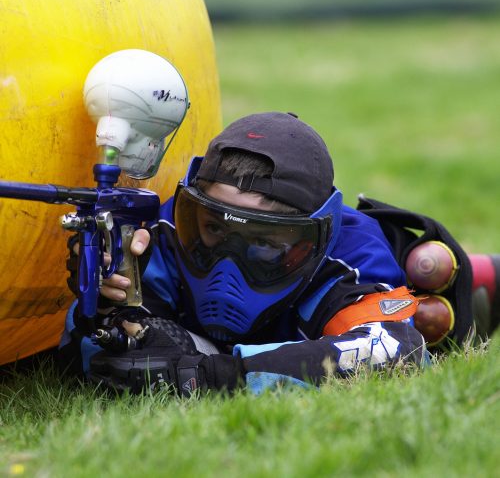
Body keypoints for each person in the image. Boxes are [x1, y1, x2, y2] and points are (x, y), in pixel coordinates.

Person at [58, 112, 499, 395]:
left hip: (403, 283)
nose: (226, 267)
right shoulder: (167, 231)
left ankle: (481, 281)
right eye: (214, 228)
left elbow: (397, 351)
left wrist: (212, 376)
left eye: (264, 241)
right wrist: (103, 297)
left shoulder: (348, 258)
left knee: (435, 299)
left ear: (315, 235)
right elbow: (98, 346)